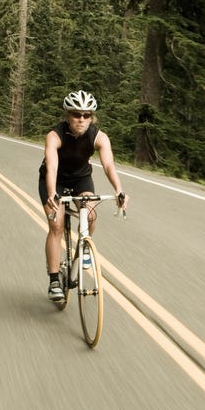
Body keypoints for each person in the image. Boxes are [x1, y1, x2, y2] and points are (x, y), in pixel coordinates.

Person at [40, 90, 127, 301]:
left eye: (86, 115)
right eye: (76, 114)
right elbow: (52, 166)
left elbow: (108, 164)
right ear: (68, 115)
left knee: (90, 215)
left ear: (92, 117)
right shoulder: (55, 135)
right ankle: (54, 280)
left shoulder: (99, 137)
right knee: (57, 224)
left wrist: (119, 189)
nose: (81, 119)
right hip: (54, 180)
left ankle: (82, 252)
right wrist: (52, 193)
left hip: (80, 179)